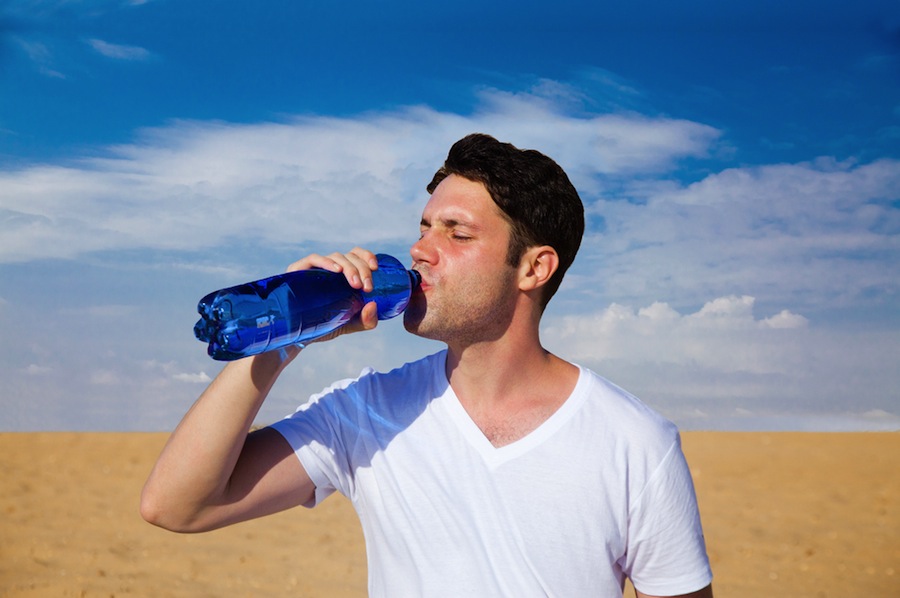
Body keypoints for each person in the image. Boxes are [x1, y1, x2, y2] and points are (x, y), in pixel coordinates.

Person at [142, 133, 714, 597]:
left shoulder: (635, 443)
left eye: (456, 233)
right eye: (423, 227)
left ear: (534, 269)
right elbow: (177, 505)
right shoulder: (364, 411)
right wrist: (281, 338)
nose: (420, 250)